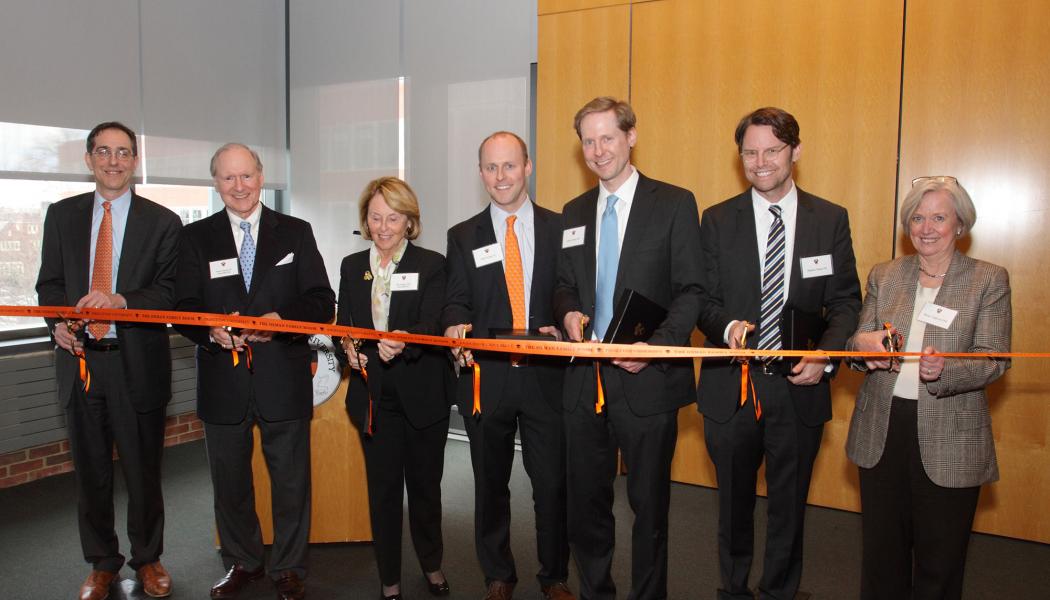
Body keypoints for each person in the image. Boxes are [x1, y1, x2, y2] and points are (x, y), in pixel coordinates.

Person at [695, 107, 861, 600]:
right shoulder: (717, 219)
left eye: (772, 150)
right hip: (733, 386)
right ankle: (733, 590)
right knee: (733, 505)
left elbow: (847, 301)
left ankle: (780, 592)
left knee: (789, 504)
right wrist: (725, 327)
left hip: (798, 388)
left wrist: (826, 356)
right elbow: (701, 301)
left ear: (796, 152)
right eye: (750, 151)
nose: (760, 161)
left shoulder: (829, 219)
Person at [553, 97, 702, 600]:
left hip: (648, 378)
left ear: (631, 136)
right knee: (586, 506)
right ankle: (596, 591)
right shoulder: (572, 213)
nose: (598, 150)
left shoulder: (675, 203)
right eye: (588, 141)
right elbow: (562, 286)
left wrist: (655, 348)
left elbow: (691, 291)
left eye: (607, 138)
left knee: (649, 509)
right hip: (584, 381)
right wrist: (568, 311)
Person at [173, 143, 335, 600]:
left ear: (261, 177)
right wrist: (210, 333)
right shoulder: (195, 237)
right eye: (228, 178)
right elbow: (181, 308)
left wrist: (283, 321)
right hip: (223, 380)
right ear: (216, 183)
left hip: (282, 377)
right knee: (230, 484)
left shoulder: (295, 232)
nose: (239, 186)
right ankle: (243, 561)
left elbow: (322, 300)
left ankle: (288, 567)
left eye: (246, 176)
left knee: (290, 482)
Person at [36, 121, 181, 600]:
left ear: (135, 161)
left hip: (135, 361)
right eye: (103, 151)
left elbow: (169, 292)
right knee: (90, 470)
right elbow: (50, 287)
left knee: (143, 472)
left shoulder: (162, 221)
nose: (113, 161)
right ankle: (101, 564)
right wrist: (55, 324)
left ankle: (148, 560)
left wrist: (122, 300)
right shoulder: (61, 216)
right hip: (79, 362)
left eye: (123, 153)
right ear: (88, 159)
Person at [846, 176, 1010, 599]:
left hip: (950, 435)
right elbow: (855, 342)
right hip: (883, 430)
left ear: (960, 224)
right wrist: (862, 346)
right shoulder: (885, 275)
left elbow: (994, 357)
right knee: (882, 558)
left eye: (939, 217)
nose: (927, 227)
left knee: (940, 562)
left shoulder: (987, 279)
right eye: (917, 218)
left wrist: (947, 370)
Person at [442, 131, 573, 600]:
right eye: (491, 168)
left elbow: (569, 292)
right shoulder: (462, 236)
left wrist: (563, 321)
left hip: (546, 378)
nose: (501, 177)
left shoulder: (562, 228)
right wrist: (455, 326)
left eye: (510, 166)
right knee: (490, 484)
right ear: (481, 173)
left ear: (528, 167)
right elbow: (455, 301)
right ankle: (498, 573)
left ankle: (554, 575)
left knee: (552, 485)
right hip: (487, 379)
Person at [336, 177, 452, 600]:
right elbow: (343, 324)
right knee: (382, 491)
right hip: (373, 399)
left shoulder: (432, 264)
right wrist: (346, 348)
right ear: (365, 219)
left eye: (394, 217)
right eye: (376, 216)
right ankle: (389, 576)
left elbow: (433, 323)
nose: (384, 227)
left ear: (410, 221)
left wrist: (406, 337)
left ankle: (432, 563)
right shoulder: (352, 266)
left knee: (425, 488)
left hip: (423, 395)